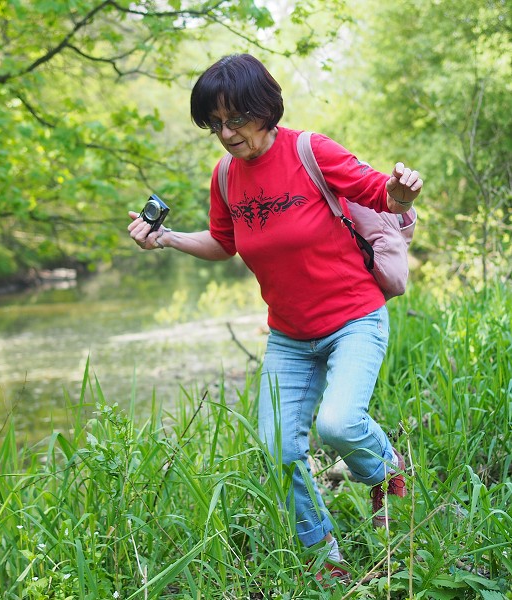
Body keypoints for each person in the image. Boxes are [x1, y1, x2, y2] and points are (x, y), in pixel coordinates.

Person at [127, 53, 422, 583]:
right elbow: (224, 243)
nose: (226, 132)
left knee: (338, 424)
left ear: (264, 109)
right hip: (289, 336)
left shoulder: (311, 150)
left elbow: (378, 190)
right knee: (279, 447)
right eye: (214, 123)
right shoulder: (225, 177)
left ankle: (387, 469)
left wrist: (399, 192)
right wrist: (167, 238)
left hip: (354, 318)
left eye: (235, 117)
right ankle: (324, 557)